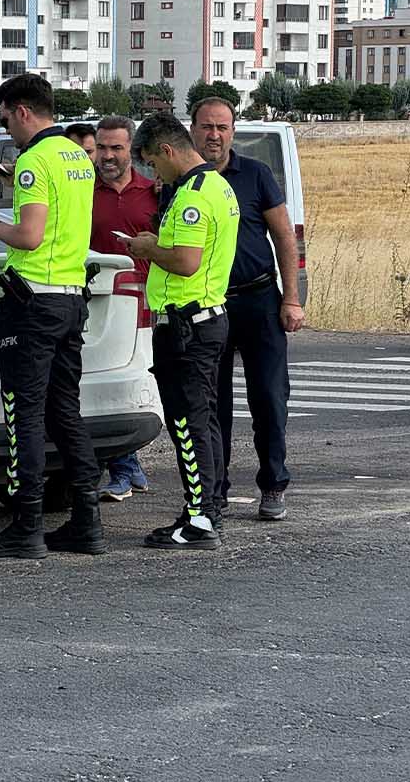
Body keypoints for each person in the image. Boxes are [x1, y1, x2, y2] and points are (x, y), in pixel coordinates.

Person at [0, 74, 104, 559]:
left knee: (23, 414)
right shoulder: (77, 156)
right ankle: (86, 521)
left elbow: (29, 236)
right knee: (65, 410)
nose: (5, 126)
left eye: (5, 117)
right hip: (71, 298)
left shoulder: (33, 161)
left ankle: (26, 525)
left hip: (32, 302)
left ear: (23, 110)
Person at [120, 113, 239, 551]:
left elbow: (186, 261)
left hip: (188, 324)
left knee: (188, 424)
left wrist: (149, 248)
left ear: (168, 151)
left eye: (152, 162)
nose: (153, 172)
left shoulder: (192, 195)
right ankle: (204, 512)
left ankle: (200, 519)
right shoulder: (217, 186)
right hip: (205, 319)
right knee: (201, 421)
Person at [190, 98, 304, 522]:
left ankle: (273, 483)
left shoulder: (255, 175)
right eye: (206, 127)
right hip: (208, 304)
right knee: (212, 404)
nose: (214, 135)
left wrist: (291, 298)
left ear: (233, 131)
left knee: (270, 398)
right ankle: (214, 491)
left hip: (259, 301)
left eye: (222, 127)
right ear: (193, 130)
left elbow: (284, 237)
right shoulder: (184, 182)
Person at [87, 115, 159, 502]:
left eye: (116, 147)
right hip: (99, 306)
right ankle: (125, 469)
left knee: (139, 387)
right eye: (102, 147)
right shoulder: (84, 192)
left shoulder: (155, 192)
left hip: (147, 307)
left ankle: (128, 469)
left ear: (132, 148)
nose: (108, 156)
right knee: (107, 387)